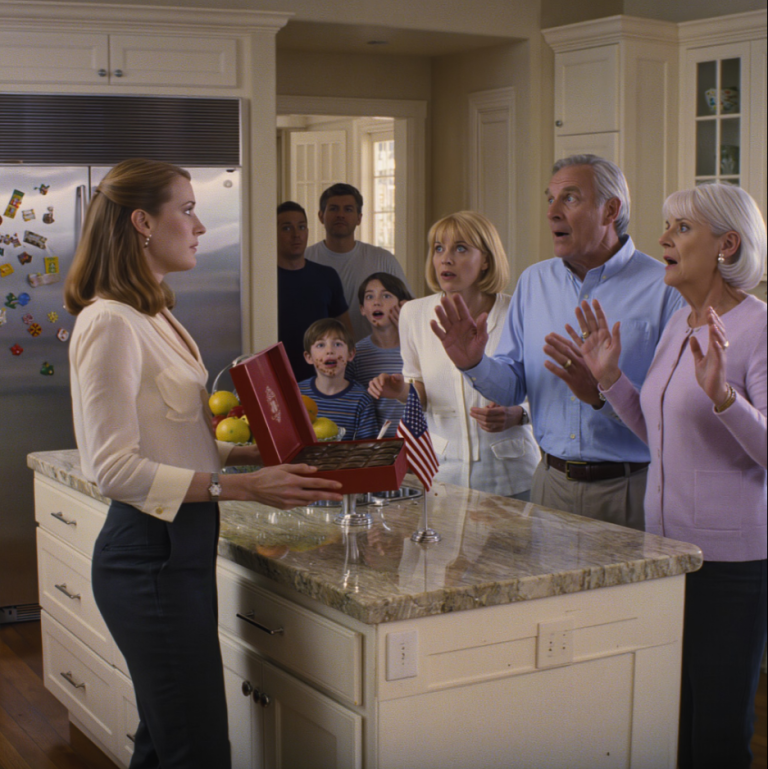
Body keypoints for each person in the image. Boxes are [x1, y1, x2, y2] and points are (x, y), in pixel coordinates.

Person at [63, 159, 343, 769]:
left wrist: (254, 453)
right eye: (186, 210)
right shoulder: (108, 321)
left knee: (168, 742)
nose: (199, 227)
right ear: (142, 221)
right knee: (198, 750)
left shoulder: (155, 314)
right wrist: (242, 488)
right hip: (148, 557)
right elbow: (112, 468)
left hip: (179, 552)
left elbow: (175, 437)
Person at [574, 182, 766, 769]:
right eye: (667, 227)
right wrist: (610, 380)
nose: (663, 239)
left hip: (731, 566)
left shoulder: (759, 329)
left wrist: (725, 396)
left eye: (682, 228)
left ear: (726, 245)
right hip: (668, 554)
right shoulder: (681, 322)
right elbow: (662, 434)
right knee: (670, 722)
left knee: (715, 732)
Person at [431, 155, 686, 528]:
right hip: (550, 486)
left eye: (569, 198)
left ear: (609, 210)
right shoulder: (533, 281)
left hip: (630, 490)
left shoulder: (664, 288)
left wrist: (600, 394)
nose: (552, 212)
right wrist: (474, 363)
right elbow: (512, 387)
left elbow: (672, 413)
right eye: (550, 199)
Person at [369, 211, 539, 499]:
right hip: (442, 474)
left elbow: (549, 392)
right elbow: (420, 392)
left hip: (512, 475)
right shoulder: (413, 313)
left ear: (486, 260)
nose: (445, 259)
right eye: (438, 248)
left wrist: (518, 414)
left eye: (460, 248)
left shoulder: (518, 312)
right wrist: (401, 391)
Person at [304, 182, 412, 341]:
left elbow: (409, 308)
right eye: (333, 208)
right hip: (320, 358)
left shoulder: (382, 259)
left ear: (359, 218)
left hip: (373, 357)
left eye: (348, 209)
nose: (340, 215)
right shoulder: (305, 259)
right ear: (321, 216)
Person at [276, 201, 352, 381]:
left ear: (307, 232)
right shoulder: (264, 282)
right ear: (274, 233)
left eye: (301, 227)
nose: (296, 235)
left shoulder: (327, 276)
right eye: (287, 228)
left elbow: (345, 331)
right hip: (277, 377)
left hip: (323, 379)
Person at [346, 272, 413, 437]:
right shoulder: (355, 354)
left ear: (402, 304)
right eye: (369, 297)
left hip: (419, 444)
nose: (377, 302)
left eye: (386, 295)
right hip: (378, 446)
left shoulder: (418, 347)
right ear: (362, 309)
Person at [299, 318, 379, 441]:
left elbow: (367, 447)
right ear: (309, 357)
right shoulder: (297, 394)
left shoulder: (361, 399)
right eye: (320, 345)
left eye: (337, 344)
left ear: (350, 354)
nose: (329, 351)